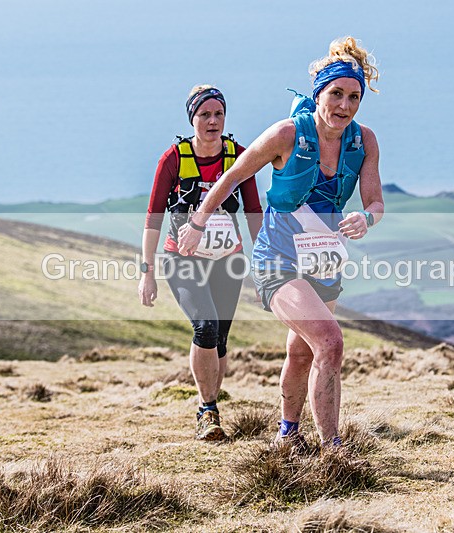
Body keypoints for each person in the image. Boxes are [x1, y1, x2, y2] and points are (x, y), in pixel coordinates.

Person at [177, 37, 384, 448]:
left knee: (304, 352)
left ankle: (287, 435)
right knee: (330, 341)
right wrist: (199, 221)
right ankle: (334, 451)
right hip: (277, 261)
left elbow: (375, 201)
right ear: (318, 93)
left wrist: (367, 217)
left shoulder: (364, 142)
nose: (344, 106)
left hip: (324, 263)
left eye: (354, 97)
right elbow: (233, 175)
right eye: (336, 94)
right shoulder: (287, 134)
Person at [139, 84, 262, 441]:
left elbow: (254, 212)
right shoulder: (174, 159)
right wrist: (147, 273)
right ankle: (206, 409)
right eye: (204, 114)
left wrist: (265, 264)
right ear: (192, 118)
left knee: (220, 340)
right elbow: (153, 217)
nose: (212, 121)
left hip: (228, 260)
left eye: (218, 114)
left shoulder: (239, 155)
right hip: (183, 260)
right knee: (205, 327)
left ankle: (213, 408)